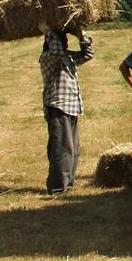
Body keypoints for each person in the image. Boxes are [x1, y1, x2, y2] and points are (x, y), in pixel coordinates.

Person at [40, 25, 94, 196]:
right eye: (62, 39)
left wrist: (81, 34)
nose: (65, 42)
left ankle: (68, 183)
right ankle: (57, 187)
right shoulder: (48, 57)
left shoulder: (68, 57)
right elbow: (55, 50)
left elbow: (88, 54)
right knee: (62, 148)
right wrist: (48, 31)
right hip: (58, 107)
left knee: (73, 149)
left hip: (72, 106)